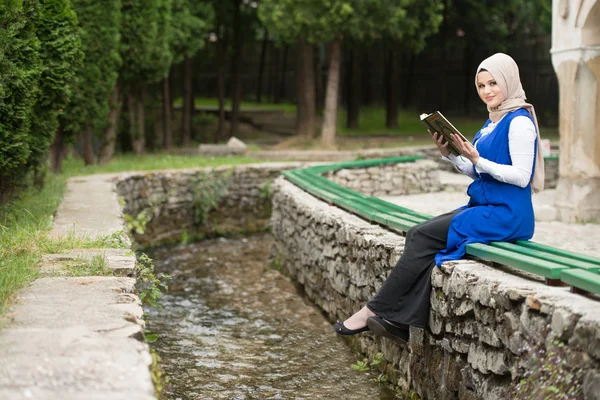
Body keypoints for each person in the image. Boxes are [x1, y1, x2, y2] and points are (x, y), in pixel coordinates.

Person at [333, 53, 545, 343]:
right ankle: (402, 322)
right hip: (488, 207)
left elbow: (521, 176)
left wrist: (478, 158)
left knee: (423, 238)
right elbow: (481, 172)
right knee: (420, 234)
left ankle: (372, 312)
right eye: (481, 86)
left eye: (493, 83)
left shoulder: (520, 122)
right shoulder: (493, 121)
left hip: (508, 214)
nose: (487, 91)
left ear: (509, 81)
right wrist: (452, 157)